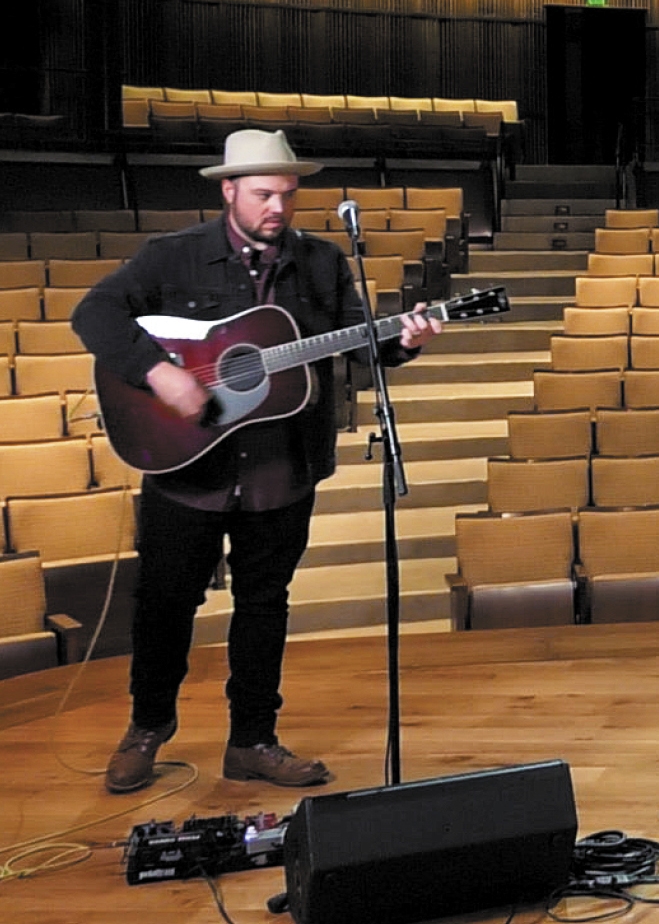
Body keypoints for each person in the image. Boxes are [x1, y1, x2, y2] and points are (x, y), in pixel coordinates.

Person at [73, 129, 444, 793]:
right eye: (265, 194)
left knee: (264, 606)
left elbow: (365, 347)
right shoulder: (173, 257)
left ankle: (252, 740)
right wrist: (159, 373)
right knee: (165, 606)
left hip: (281, 472)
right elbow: (94, 313)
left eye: (288, 194)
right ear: (230, 191)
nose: (279, 206)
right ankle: (148, 727)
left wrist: (406, 341)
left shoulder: (324, 264)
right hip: (186, 470)